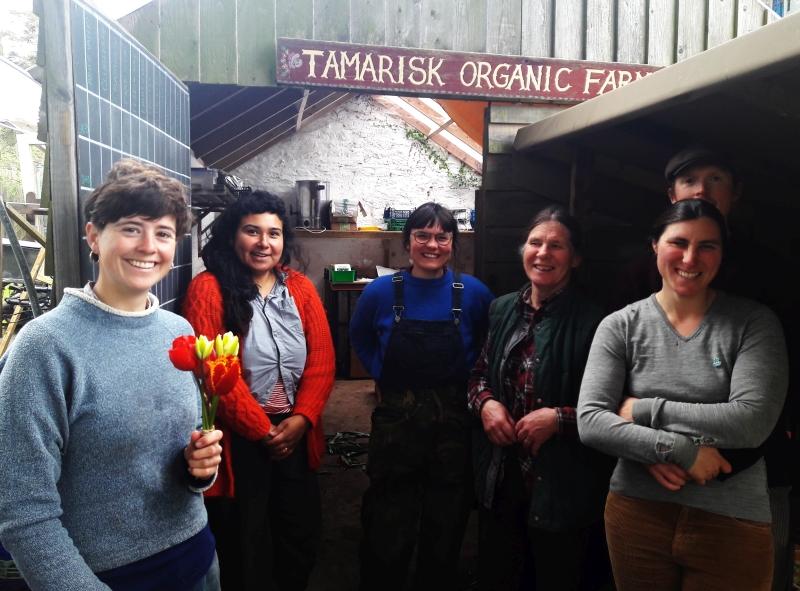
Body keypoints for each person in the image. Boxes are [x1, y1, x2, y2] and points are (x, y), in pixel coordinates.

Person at [0, 159, 223, 590]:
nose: (148, 246)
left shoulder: (180, 333)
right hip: (103, 577)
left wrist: (198, 469)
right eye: (131, 228)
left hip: (197, 562)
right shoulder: (45, 348)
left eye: (163, 233)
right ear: (93, 237)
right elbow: (21, 510)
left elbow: (182, 449)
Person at [608, 145, 799, 591]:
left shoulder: (772, 276)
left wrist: (647, 420)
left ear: (736, 193)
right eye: (690, 180)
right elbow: (608, 395)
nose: (703, 190)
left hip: (752, 472)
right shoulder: (636, 278)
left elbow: (765, 400)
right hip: (650, 484)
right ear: (671, 194)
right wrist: (657, 450)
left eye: (716, 179)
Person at [182, 191, 335, 591]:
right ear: (233, 236)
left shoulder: (299, 287)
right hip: (242, 441)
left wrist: (302, 418)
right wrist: (261, 429)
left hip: (296, 433)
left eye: (274, 233)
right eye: (252, 231)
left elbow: (321, 359)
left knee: (298, 534)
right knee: (245, 542)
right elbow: (213, 371)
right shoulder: (208, 289)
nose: (264, 242)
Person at [469, 206, 615, 591]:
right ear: (523, 250)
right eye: (535, 243)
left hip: (562, 482)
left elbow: (615, 407)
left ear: (576, 258)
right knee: (503, 573)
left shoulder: (597, 321)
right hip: (503, 474)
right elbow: (478, 374)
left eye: (557, 246)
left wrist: (559, 419)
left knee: (557, 574)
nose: (543, 253)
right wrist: (486, 404)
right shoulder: (501, 309)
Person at [349, 202, 493, 590]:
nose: (432, 244)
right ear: (407, 241)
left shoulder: (475, 293)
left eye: (442, 236)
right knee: (387, 517)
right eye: (422, 235)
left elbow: (487, 347)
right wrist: (379, 371)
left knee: (447, 518)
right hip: (397, 422)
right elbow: (359, 335)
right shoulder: (381, 292)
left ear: (453, 242)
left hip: (455, 425)